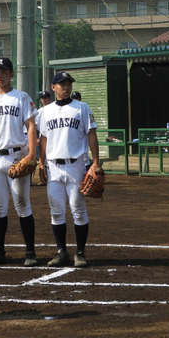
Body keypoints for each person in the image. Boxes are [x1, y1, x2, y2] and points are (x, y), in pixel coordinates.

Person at [0, 57, 38, 267]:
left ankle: (30, 252)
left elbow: (31, 125)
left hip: (16, 156)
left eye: (4, 71)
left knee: (22, 204)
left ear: (11, 74)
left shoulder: (21, 97)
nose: (0, 75)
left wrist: (31, 154)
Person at [37, 72, 100, 268]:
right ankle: (61, 252)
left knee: (78, 210)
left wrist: (96, 162)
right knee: (56, 212)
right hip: (53, 166)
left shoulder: (81, 108)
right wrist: (40, 163)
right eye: (61, 84)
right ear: (53, 87)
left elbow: (91, 135)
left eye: (68, 84)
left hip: (76, 165)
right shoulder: (45, 111)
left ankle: (79, 253)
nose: (66, 87)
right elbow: (43, 139)